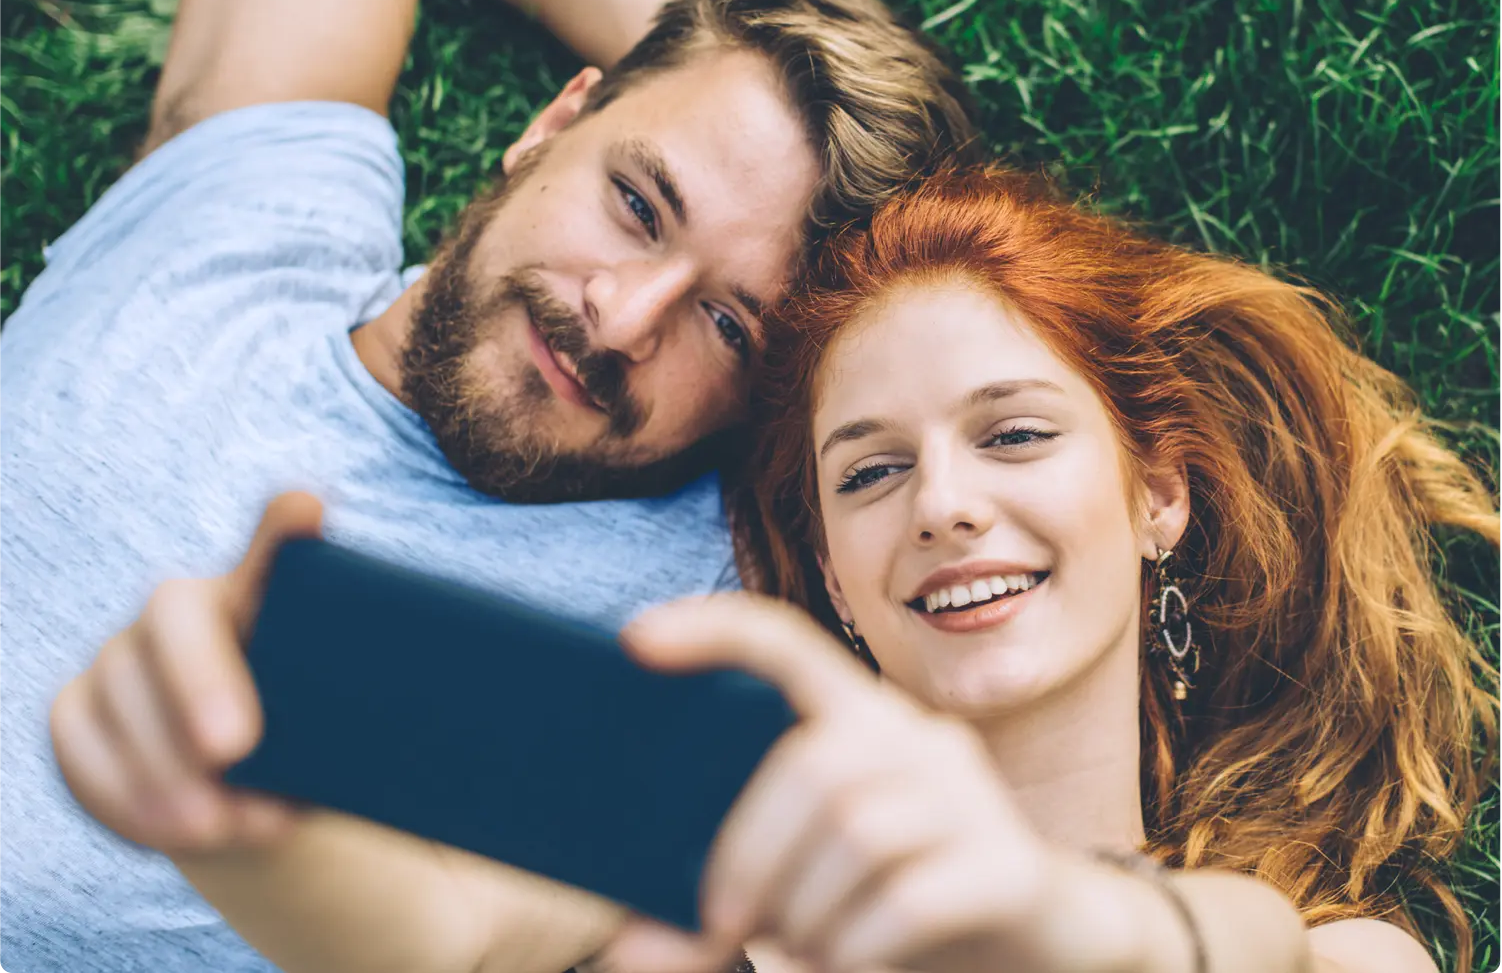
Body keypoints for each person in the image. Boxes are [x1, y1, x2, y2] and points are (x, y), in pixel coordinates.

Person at [53, 164, 1501, 973]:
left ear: (1157, 498)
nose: (941, 504)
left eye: (1009, 434)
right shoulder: (709, 851)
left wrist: (1054, 918)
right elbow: (441, 938)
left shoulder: (1329, 948)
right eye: (869, 470)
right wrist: (233, 816)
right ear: (830, 568)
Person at [0, 0, 977, 966]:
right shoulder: (252, 198)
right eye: (638, 203)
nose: (622, 317)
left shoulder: (701, 628)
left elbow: (466, 941)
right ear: (552, 127)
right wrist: (730, 33)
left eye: (728, 324)